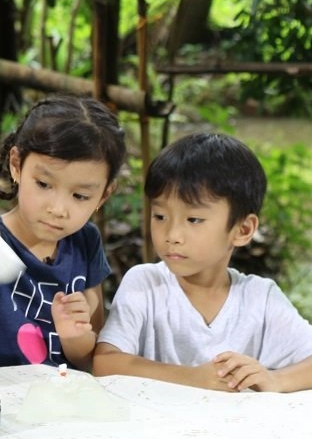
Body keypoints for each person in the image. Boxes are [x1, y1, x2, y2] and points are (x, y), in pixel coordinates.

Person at [94, 133, 312, 392]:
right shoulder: (145, 284)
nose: (172, 236)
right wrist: (193, 378)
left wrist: (274, 379)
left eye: (194, 220)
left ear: (242, 230)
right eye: (160, 216)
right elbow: (104, 364)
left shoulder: (260, 298)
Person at [0, 95, 127, 371]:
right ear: (16, 164)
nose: (58, 209)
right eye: (43, 184)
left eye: (80, 195)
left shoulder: (86, 241)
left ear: (104, 195)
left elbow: (87, 359)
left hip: (59, 402)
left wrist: (74, 335)